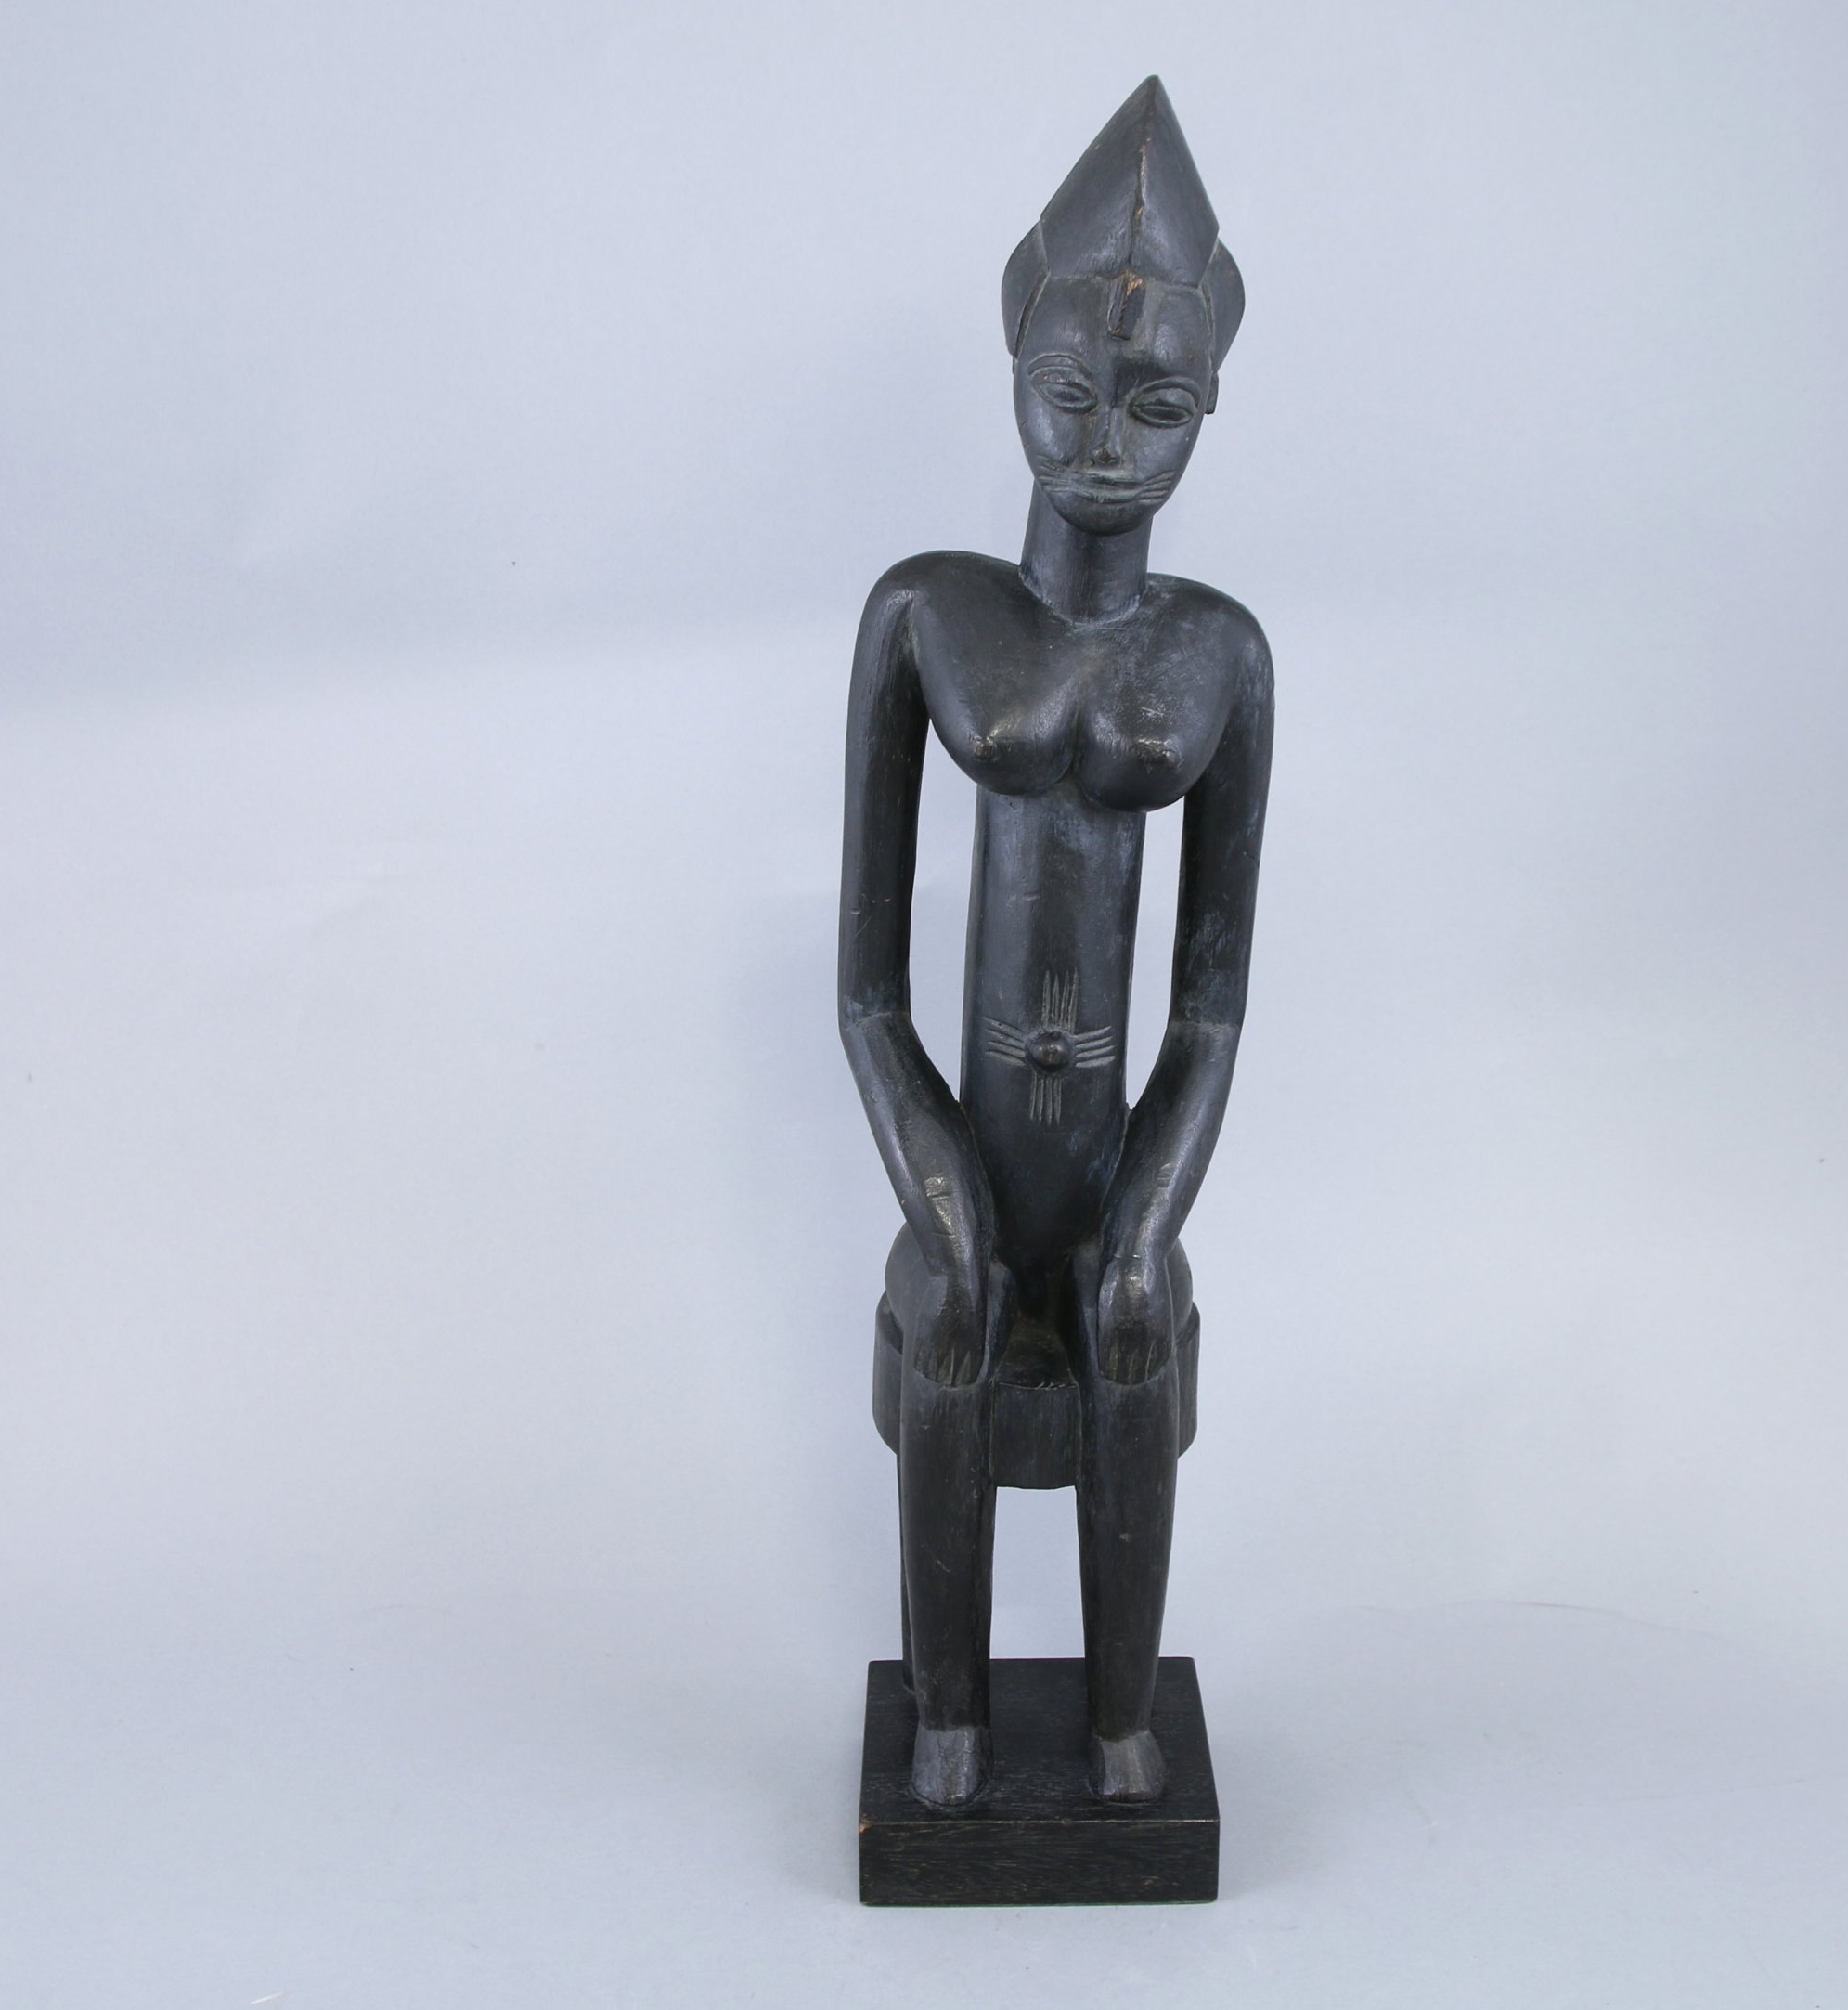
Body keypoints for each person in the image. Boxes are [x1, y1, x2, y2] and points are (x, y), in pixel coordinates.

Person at [836, 77, 1273, 1809]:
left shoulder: (1218, 657)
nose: (1106, 444)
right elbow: (867, 991)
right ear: (1014, 339)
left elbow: (1213, 1010)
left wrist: (1144, 1220)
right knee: (948, 1320)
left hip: (1107, 1179)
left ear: (1213, 398)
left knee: (1132, 1336)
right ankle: (948, 1717)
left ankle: (1116, 1725)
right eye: (1070, 391)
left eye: (1157, 405)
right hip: (963, 1158)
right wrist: (936, 1191)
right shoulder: (929, 614)